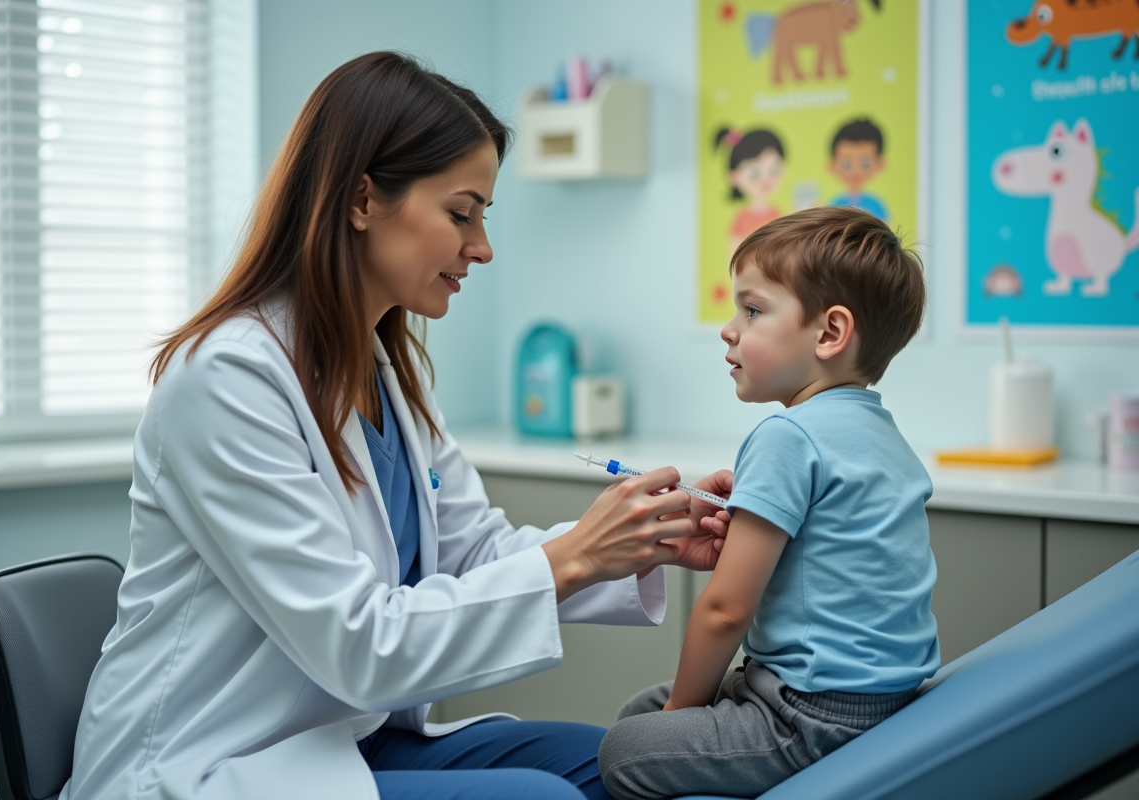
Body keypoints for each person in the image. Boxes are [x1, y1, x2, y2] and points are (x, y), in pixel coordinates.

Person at [59, 52, 732, 800]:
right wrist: (574, 555)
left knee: (630, 765)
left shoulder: (385, 372)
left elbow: (474, 551)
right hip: (221, 761)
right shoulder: (227, 379)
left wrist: (646, 535)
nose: (482, 247)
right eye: (461, 212)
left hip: (351, 739)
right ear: (361, 200)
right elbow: (356, 643)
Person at [598, 207, 939, 799]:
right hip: (878, 696)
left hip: (811, 714)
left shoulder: (788, 436)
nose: (730, 328)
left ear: (830, 333)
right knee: (638, 711)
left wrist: (682, 712)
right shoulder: (883, 432)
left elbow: (725, 610)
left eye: (752, 310)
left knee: (625, 750)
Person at [714, 126, 787, 250]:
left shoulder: (778, 213)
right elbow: (734, 251)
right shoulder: (741, 218)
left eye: (774, 170)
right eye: (755, 174)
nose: (765, 179)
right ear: (734, 177)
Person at [827, 118, 889, 221]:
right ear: (832, 166)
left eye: (865, 163)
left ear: (879, 164)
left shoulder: (875, 204)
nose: (855, 171)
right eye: (846, 164)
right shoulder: (836, 203)